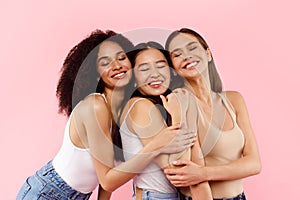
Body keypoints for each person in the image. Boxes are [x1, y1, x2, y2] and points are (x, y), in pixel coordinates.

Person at [16, 30, 196, 200]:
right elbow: (107, 180)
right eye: (105, 63)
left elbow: (107, 178)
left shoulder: (122, 109)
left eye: (121, 58)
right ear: (96, 74)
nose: (117, 66)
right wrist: (156, 145)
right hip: (48, 192)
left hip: (77, 195)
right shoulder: (95, 106)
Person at [163, 28, 262, 200]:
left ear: (208, 54)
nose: (186, 56)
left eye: (192, 48)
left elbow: (254, 163)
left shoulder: (234, 100)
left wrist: (203, 173)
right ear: (174, 68)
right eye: (177, 54)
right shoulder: (180, 101)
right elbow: (183, 171)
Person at [117, 41, 212, 200]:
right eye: (144, 69)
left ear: (172, 72)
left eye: (161, 66)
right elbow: (179, 171)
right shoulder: (142, 107)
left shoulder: (161, 105)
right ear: (133, 79)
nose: (154, 74)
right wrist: (179, 115)